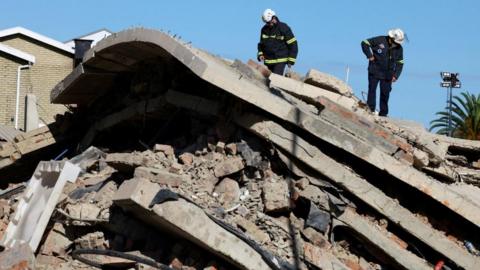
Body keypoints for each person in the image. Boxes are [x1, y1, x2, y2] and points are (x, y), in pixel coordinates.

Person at [361, 29, 405, 116]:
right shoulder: (380, 40)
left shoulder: (399, 48)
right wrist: (369, 56)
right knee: (372, 90)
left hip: (388, 74)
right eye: (395, 42)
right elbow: (364, 43)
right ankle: (370, 109)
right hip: (374, 70)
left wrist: (396, 75)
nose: (397, 44)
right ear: (391, 38)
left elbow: (400, 62)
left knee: (385, 93)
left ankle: (383, 114)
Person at [257, 9, 298, 75]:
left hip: (280, 61)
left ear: (274, 17)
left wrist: (291, 61)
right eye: (267, 23)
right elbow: (261, 44)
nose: (269, 24)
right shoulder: (264, 29)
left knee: (274, 81)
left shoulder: (283, 27)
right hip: (268, 62)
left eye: (269, 22)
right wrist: (260, 54)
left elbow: (293, 44)